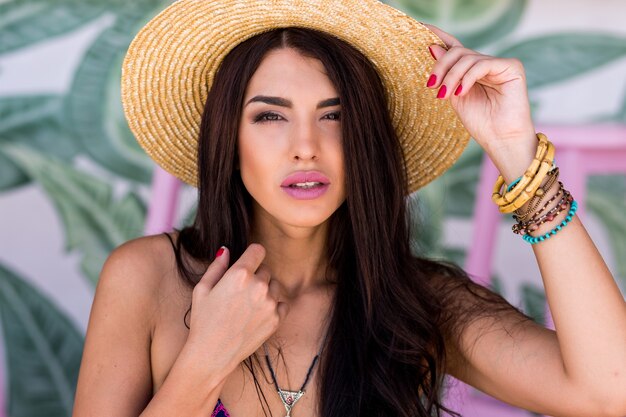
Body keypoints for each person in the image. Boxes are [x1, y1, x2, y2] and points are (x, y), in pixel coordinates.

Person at [72, 1, 626, 416]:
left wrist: (517, 155)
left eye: (333, 115)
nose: (306, 144)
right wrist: (205, 358)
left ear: (365, 138)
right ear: (228, 138)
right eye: (270, 116)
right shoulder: (146, 278)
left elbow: (609, 392)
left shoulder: (413, 301)